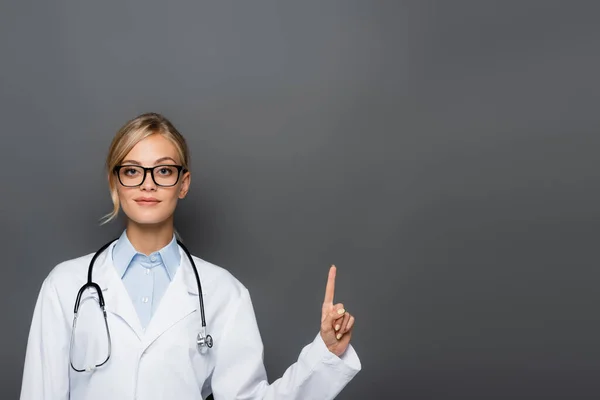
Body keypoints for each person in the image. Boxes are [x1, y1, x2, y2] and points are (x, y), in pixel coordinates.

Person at [20, 112, 361, 399]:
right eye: (132, 170)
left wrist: (326, 354)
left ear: (184, 184)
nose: (147, 184)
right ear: (116, 182)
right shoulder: (65, 286)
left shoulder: (223, 293)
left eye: (164, 171)